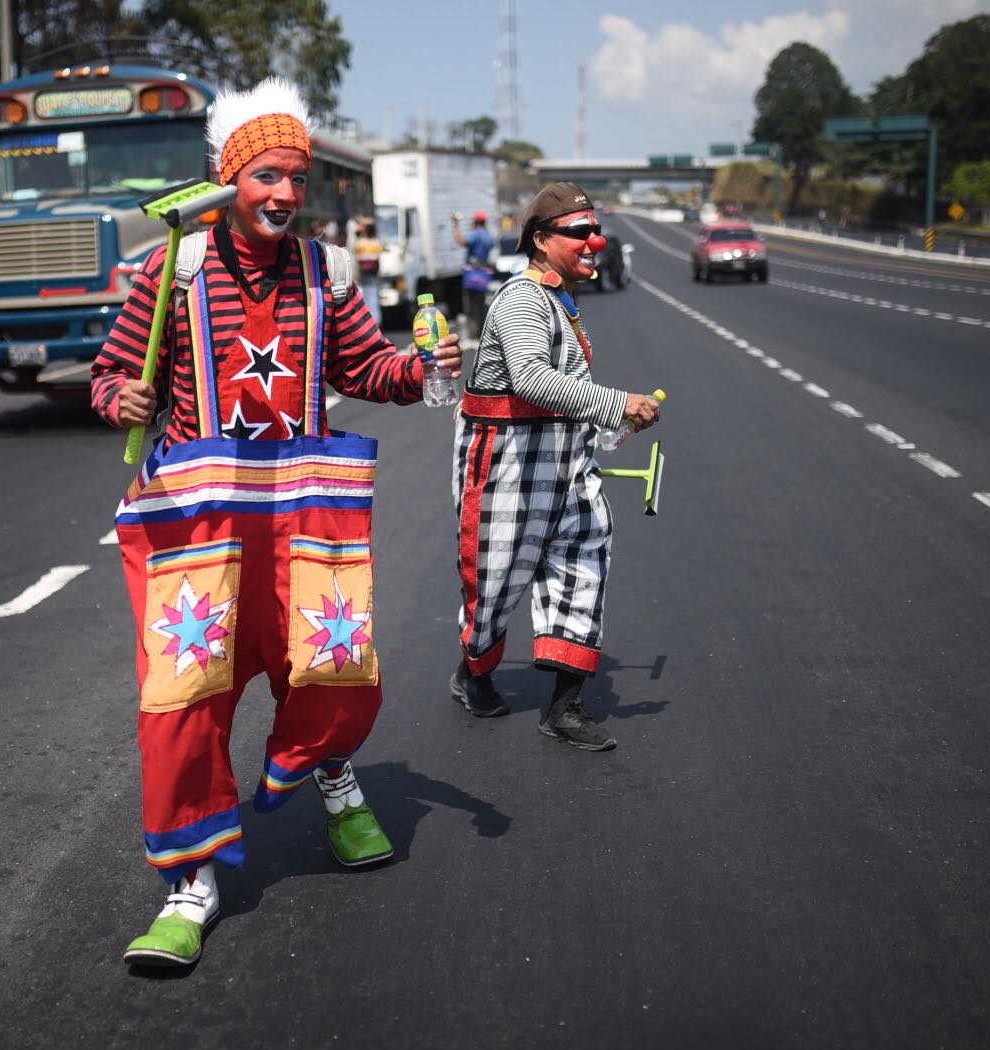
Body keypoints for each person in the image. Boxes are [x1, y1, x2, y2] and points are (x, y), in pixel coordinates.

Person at [91, 77, 462, 968]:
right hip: (200, 525)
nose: (286, 195)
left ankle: (328, 776)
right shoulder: (167, 270)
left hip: (302, 513)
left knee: (333, 664)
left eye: (297, 177)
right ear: (230, 179)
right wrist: (122, 396)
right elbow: (108, 377)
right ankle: (193, 881)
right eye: (267, 175)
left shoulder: (323, 272)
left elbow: (367, 368)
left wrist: (423, 369)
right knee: (185, 701)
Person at [449, 182, 661, 751]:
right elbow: (530, 382)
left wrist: (611, 426)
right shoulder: (521, 299)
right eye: (579, 233)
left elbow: (570, 389)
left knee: (583, 569)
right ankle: (474, 674)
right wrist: (619, 403)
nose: (594, 242)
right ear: (542, 241)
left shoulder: (562, 299)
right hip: (505, 472)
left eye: (595, 231)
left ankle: (565, 707)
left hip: (567, 469)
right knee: (493, 585)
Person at [452, 209, 496, 341]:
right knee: (481, 303)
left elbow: (462, 241)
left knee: (471, 305)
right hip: (483, 272)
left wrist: (456, 225)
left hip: (472, 273)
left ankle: (473, 335)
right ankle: (483, 333)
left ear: (476, 222)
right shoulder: (488, 235)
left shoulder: (476, 234)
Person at [353, 218, 383, 320]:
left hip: (366, 276)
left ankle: (373, 322)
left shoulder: (362, 243)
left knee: (369, 299)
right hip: (367, 275)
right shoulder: (375, 242)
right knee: (372, 299)